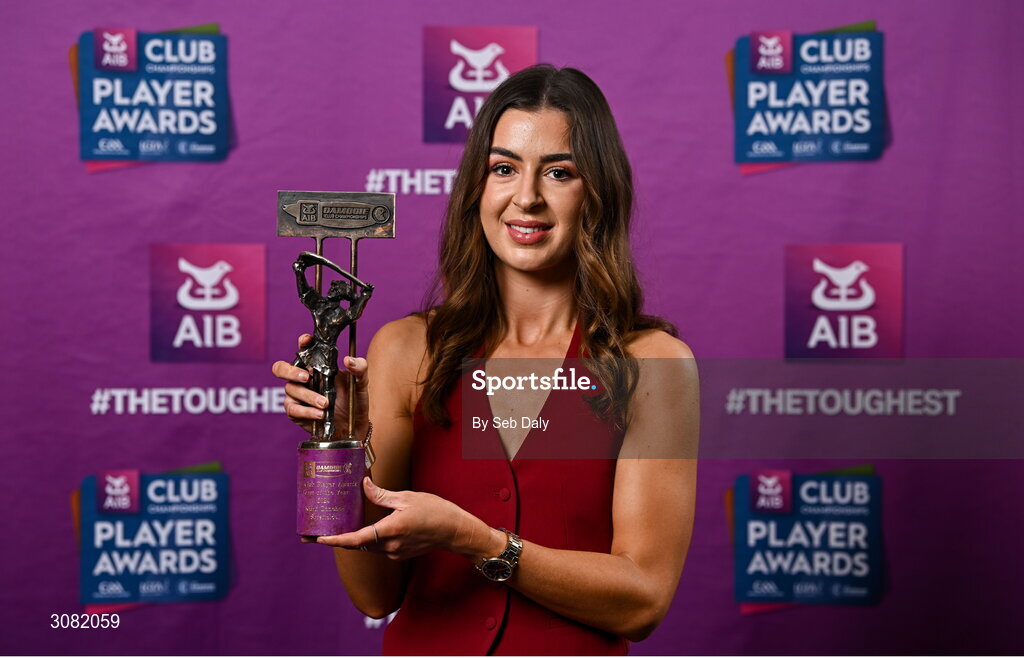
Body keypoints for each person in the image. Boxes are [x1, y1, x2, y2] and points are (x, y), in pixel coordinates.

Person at [272, 64, 698, 655]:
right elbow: (374, 595)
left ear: (597, 193)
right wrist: (341, 441)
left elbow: (643, 598)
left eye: (559, 172)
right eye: (504, 168)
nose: (526, 197)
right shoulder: (406, 349)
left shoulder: (650, 365)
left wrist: (480, 542)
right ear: (477, 188)